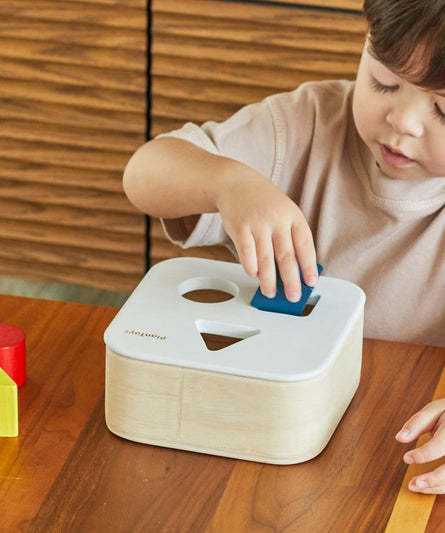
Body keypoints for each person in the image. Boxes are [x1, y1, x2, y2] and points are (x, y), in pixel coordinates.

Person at [123, 0, 445, 492]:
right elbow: (143, 172)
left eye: (442, 108)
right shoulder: (306, 122)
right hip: (257, 427)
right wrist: (229, 183)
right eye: (383, 80)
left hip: (394, 443)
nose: (402, 120)